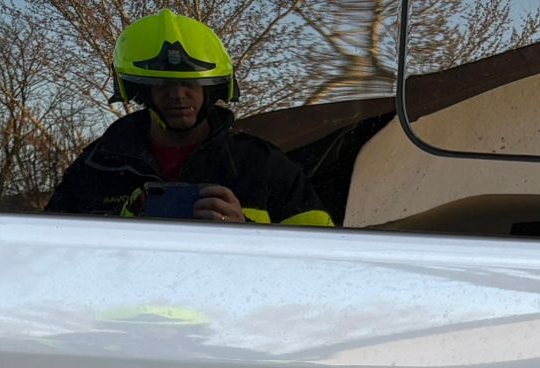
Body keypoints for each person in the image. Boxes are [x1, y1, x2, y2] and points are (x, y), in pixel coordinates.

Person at [44, 10, 333, 227]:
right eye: (163, 84)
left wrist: (244, 230)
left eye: (191, 83)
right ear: (142, 91)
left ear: (212, 89)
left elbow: (321, 260)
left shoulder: (262, 165)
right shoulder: (98, 166)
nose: (178, 95)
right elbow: (51, 251)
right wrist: (119, 223)